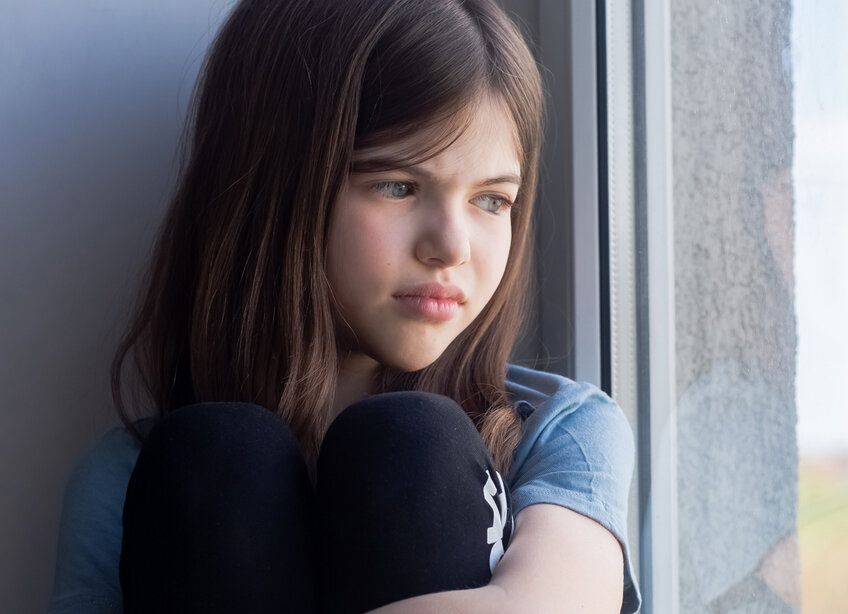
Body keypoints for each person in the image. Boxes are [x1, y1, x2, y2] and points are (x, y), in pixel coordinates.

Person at [47, 0, 641, 612]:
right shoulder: (132, 474)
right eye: (397, 186)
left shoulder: (556, 429)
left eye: (491, 200)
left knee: (413, 445)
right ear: (277, 190)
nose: (452, 247)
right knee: (215, 460)